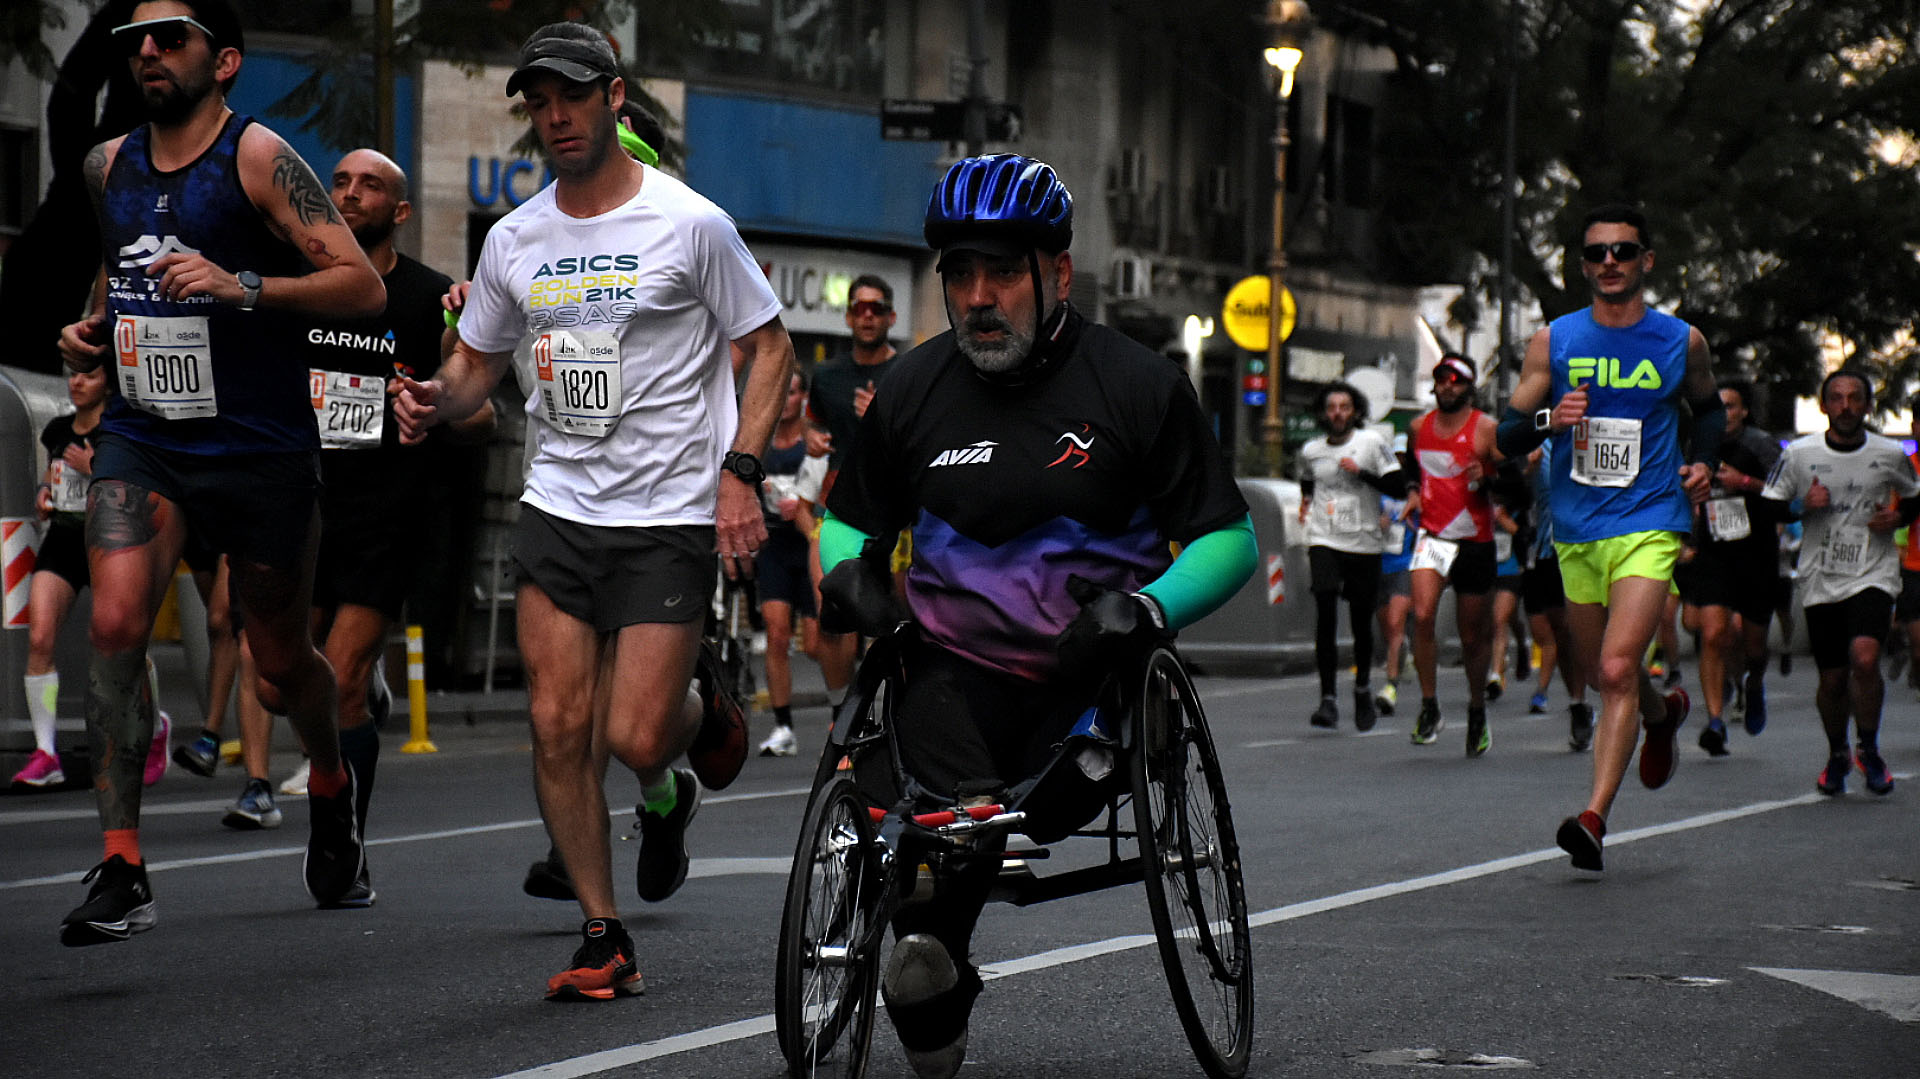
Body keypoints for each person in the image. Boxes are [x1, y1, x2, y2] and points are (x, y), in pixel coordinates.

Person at [817, 153, 1257, 1079]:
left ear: (1056, 273)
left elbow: (1228, 540)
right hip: (954, 671)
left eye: (1003, 272)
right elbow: (849, 520)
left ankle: (943, 923)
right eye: (960, 274)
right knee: (943, 851)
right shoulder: (909, 390)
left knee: (1059, 795)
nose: (978, 297)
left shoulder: (1136, 387)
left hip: (1098, 675)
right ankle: (930, 968)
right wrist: (849, 577)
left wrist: (1148, 604)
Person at [392, 21, 788, 1001]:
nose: (556, 115)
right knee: (557, 718)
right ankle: (604, 930)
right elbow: (478, 367)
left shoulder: (691, 223)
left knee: (635, 734)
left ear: (615, 98)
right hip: (560, 506)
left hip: (667, 511)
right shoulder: (517, 239)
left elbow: (770, 347)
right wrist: (433, 399)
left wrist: (740, 469)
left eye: (573, 95)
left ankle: (701, 714)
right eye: (539, 101)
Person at [52, 0, 387, 944]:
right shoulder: (105, 164)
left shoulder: (257, 157)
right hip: (145, 434)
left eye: (171, 39)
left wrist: (243, 285)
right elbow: (121, 267)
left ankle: (329, 783)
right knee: (114, 619)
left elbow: (359, 286)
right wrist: (91, 325)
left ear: (224, 60)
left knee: (280, 666)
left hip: (259, 445)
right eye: (134, 43)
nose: (148, 53)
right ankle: (123, 863)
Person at [1497, 204, 1718, 872]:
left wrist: (1703, 460)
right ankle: (1661, 713)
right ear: (1583, 265)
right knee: (1600, 674)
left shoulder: (1682, 340)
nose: (1611, 263)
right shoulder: (1554, 341)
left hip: (1651, 518)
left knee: (1619, 666)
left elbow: (1707, 408)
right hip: (1576, 525)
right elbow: (1505, 437)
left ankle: (1593, 816)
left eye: (1624, 251)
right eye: (1597, 254)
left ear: (1647, 260)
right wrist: (1547, 417)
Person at [12, 366, 175, 790]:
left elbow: (141, 486)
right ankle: (46, 752)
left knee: (123, 644)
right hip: (65, 537)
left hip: (111, 537)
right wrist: (45, 496)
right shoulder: (59, 429)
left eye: (89, 375)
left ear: (108, 382)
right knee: (40, 637)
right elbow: (52, 478)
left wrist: (95, 464)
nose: (76, 382)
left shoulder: (118, 431)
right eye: (72, 375)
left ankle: (154, 727)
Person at [1761, 369, 1918, 796]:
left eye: (1854, 398)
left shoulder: (1889, 453)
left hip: (1873, 570)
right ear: (1824, 404)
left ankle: (1869, 748)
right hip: (1821, 574)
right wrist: (1800, 505)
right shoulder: (1798, 453)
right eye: (1836, 398)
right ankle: (1837, 753)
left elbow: (1915, 492)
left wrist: (1900, 517)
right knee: (1832, 679)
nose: (1846, 406)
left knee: (1865, 659)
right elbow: (1769, 508)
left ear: (1868, 406)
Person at [806, 273, 900, 713]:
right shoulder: (826, 375)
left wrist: (878, 423)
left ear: (891, 316)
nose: (867, 315)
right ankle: (840, 717)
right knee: (834, 613)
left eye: (876, 308)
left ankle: (897, 716)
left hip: (896, 513)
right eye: (859, 308)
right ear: (847, 316)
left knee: (898, 623)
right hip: (839, 509)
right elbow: (813, 424)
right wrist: (812, 439)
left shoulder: (907, 372)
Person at [1678, 379, 1783, 755]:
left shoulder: (1761, 445)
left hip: (1755, 555)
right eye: (1718, 407)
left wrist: (1746, 483)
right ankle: (1715, 721)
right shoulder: (1699, 445)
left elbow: (1787, 496)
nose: (1725, 415)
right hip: (1713, 553)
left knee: (1753, 645)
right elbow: (1684, 491)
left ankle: (1754, 681)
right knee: (1713, 634)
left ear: (1745, 411)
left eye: (1732, 406)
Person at [1403, 353, 1499, 756]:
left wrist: (1489, 476)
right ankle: (1429, 706)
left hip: (1475, 540)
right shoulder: (1417, 427)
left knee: (1472, 637)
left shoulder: (1486, 429)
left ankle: (1477, 710)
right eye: (1441, 378)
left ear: (1469, 386)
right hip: (1434, 537)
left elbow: (1512, 481)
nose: (1447, 386)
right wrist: (1411, 493)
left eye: (1455, 380)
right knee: (1422, 615)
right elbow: (1411, 467)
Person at [1295, 381, 1403, 730]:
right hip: (1323, 538)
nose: (1337, 413)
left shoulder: (1371, 444)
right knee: (1325, 608)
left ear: (1355, 411)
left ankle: (1361, 689)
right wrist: (1306, 503)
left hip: (1364, 542)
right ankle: (1327, 699)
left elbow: (1399, 486)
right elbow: (1307, 480)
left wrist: (1363, 474)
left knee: (1360, 621)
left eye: (1344, 407)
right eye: (1331, 408)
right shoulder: (1311, 450)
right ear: (1323, 413)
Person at [756, 370, 830, 757]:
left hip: (809, 545)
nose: (785, 400)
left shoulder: (813, 444)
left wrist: (807, 506)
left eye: (793, 392)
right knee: (777, 633)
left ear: (802, 398)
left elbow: (827, 493)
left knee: (817, 645)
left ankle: (843, 703)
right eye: (780, 392)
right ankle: (783, 727)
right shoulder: (760, 441)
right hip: (773, 548)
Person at [1519, 444, 1594, 745]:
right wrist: (1529, 472)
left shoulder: (1594, 435)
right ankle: (1577, 702)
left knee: (1575, 629)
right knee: (1556, 629)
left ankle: (1584, 700)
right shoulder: (1537, 444)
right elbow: (1512, 495)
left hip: (1588, 545)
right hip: (1545, 548)